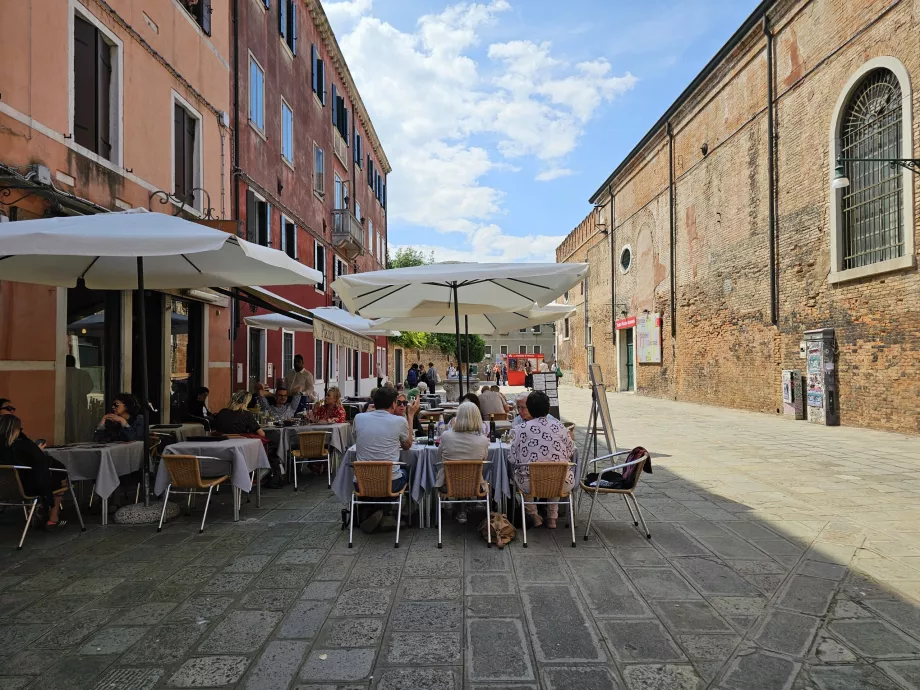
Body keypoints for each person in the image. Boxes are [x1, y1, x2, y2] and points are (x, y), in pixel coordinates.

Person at [353, 387, 419, 531]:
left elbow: (356, 438)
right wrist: (410, 416)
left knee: (381, 475)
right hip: (390, 483)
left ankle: (376, 512)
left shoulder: (359, 418)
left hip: (362, 482)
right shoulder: (399, 421)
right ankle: (397, 513)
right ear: (393, 404)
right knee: (409, 470)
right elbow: (407, 445)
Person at [509, 391, 574, 529]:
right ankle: (552, 517)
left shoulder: (520, 429)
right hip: (562, 483)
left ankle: (534, 515)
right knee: (557, 471)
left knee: (522, 474)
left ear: (530, 408)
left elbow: (512, 457)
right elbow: (570, 451)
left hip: (530, 484)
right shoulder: (561, 427)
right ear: (548, 408)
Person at [0, 402, 67, 526]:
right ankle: (53, 516)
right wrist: (36, 451)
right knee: (60, 476)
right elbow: (38, 464)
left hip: (5, 490)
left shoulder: (8, 448)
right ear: (15, 430)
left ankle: (43, 508)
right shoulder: (23, 446)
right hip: (28, 488)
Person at [213, 391, 281, 488]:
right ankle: (270, 474)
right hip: (242, 448)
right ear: (246, 402)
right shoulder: (246, 414)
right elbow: (261, 434)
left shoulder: (222, 412)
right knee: (273, 439)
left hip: (222, 449)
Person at [436, 401, 490, 524]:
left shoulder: (446, 436)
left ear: (458, 417)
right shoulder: (483, 440)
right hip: (475, 485)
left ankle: (458, 510)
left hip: (447, 484)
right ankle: (468, 508)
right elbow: (483, 459)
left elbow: (439, 458)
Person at [65, 354, 94, 443]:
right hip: (78, 405)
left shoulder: (62, 374)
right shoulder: (83, 374)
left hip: (75, 405)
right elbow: (89, 387)